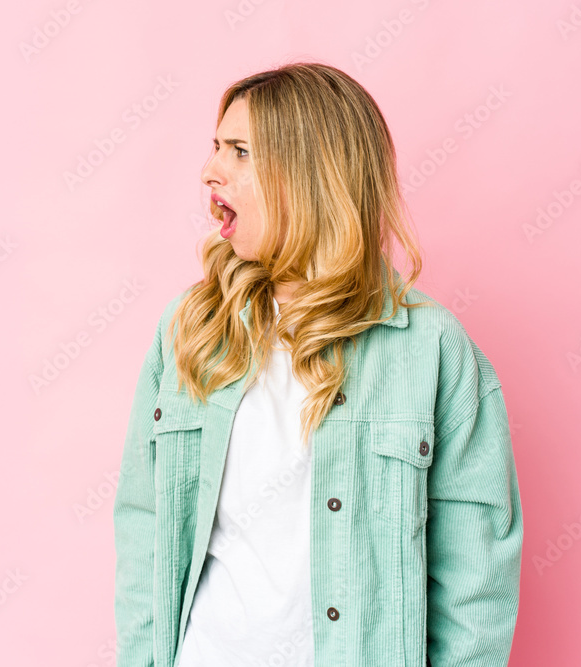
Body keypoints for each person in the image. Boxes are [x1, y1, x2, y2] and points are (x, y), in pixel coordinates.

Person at [113, 61, 523, 667]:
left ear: (307, 176)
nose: (209, 171)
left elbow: (476, 585)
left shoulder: (430, 348)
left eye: (240, 151)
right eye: (215, 147)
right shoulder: (190, 331)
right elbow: (144, 532)